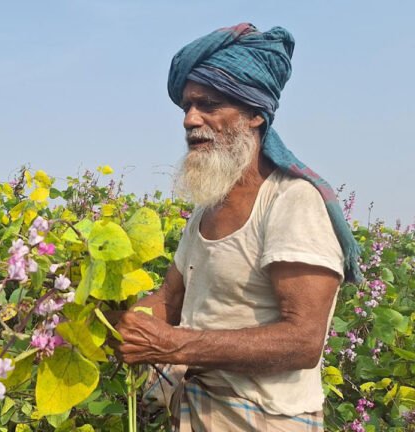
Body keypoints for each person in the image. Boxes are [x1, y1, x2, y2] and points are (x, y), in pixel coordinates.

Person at [112, 23, 362, 431]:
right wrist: (109, 321)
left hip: (264, 419)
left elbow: (303, 341)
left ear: (255, 115)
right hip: (194, 407)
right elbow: (171, 300)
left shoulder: (291, 202)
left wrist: (175, 345)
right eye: (187, 107)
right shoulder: (207, 209)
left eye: (208, 104)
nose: (190, 119)